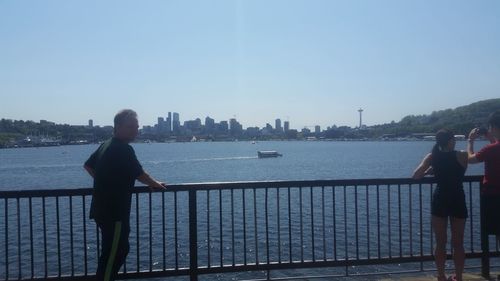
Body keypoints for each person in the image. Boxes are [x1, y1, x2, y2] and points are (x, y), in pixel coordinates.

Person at [84, 109, 166, 281]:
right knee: (114, 254)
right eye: (131, 127)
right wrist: (156, 185)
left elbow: (89, 166)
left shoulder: (106, 144)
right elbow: (140, 174)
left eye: (137, 127)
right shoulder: (123, 149)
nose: (136, 130)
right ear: (118, 127)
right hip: (114, 212)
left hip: (102, 210)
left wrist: (105, 181)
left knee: (115, 251)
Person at [413, 129, 468, 281]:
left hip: (440, 199)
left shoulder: (432, 156)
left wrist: (431, 170)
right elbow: (459, 170)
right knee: (458, 243)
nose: (455, 141)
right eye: (453, 138)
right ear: (450, 141)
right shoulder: (462, 155)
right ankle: (459, 277)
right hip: (458, 198)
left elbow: (416, 175)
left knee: (440, 242)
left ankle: (441, 276)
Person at [467, 111, 500, 272]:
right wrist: (489, 138)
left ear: (493, 127)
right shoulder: (492, 147)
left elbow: (470, 159)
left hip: (494, 197)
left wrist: (470, 142)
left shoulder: (490, 149)